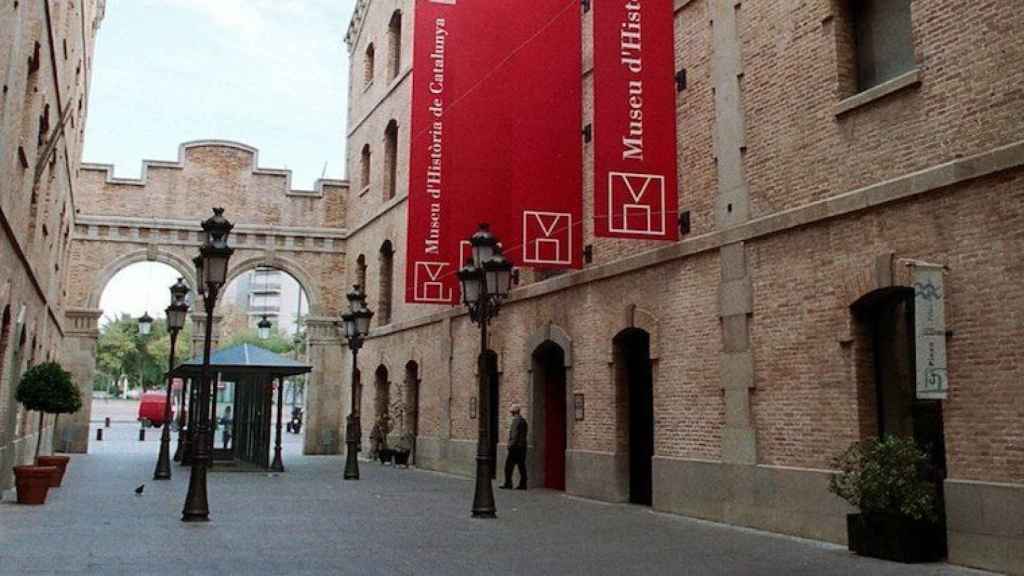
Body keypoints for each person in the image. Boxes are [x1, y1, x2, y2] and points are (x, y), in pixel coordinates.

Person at [500, 404, 528, 490]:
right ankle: (523, 484)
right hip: (522, 447)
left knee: (508, 466)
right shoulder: (523, 421)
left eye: (511, 410)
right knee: (521, 466)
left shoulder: (516, 421)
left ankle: (508, 483)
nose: (510, 412)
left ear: (513, 412)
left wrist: (510, 445)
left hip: (515, 448)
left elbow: (514, 435)